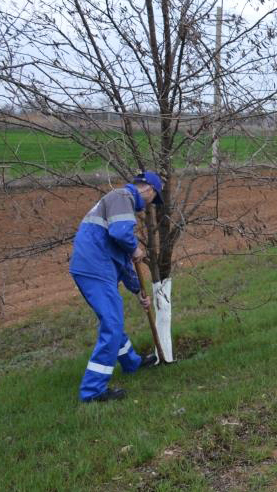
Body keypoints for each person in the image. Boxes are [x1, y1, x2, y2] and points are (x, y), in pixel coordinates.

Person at [69, 171, 164, 403]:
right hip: (94, 269)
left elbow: (122, 261)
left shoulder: (120, 202)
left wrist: (137, 291)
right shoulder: (123, 196)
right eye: (154, 199)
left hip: (94, 267)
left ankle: (131, 362)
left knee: (111, 321)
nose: (150, 205)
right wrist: (135, 248)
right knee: (112, 324)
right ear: (149, 189)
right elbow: (121, 235)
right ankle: (92, 391)